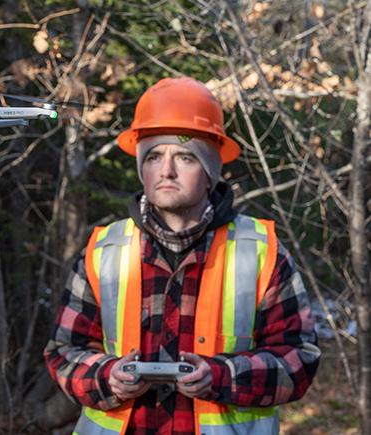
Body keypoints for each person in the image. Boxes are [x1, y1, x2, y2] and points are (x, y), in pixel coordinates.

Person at [44, 77, 320, 435]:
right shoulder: (104, 251)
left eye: (185, 157)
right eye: (154, 156)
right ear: (142, 168)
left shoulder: (261, 252)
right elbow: (64, 351)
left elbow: (299, 360)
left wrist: (220, 377)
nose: (166, 170)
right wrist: (107, 377)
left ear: (209, 173)